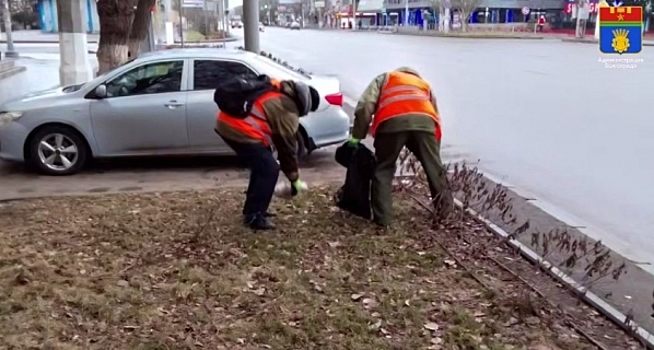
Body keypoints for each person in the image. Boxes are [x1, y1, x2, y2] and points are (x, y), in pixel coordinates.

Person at [349, 67, 453, 227]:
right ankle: (445, 215)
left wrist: (357, 135)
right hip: (424, 124)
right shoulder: (423, 84)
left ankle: (383, 222)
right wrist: (434, 153)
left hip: (391, 122)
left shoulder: (385, 78)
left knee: (383, 169)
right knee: (435, 169)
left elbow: (365, 106)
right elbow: (436, 116)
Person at [215, 78, 321, 230]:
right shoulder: (288, 109)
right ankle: (254, 216)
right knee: (269, 169)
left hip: (227, 123)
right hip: (238, 129)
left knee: (262, 167)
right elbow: (287, 149)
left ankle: (254, 211)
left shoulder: (278, 89)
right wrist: (294, 179)